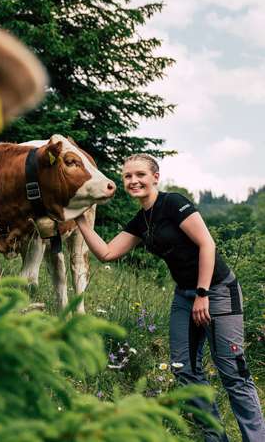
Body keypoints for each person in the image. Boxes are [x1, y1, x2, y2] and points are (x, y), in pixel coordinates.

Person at [74, 153, 265, 442]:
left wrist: (203, 294)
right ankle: (215, 438)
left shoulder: (173, 203)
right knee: (184, 370)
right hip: (185, 295)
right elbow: (107, 253)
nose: (133, 180)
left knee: (233, 373)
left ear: (155, 177)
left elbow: (207, 244)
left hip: (218, 290)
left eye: (140, 174)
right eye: (127, 176)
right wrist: (80, 222)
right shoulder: (142, 220)